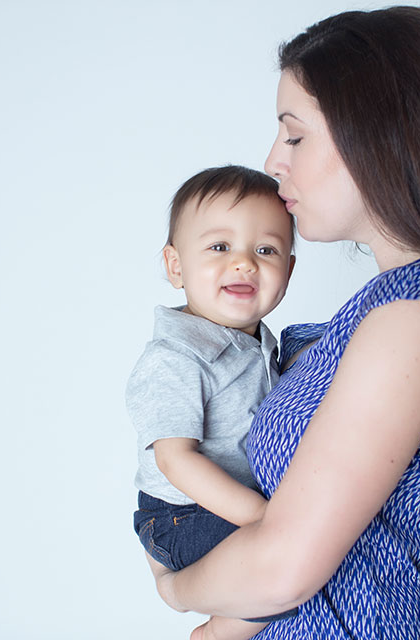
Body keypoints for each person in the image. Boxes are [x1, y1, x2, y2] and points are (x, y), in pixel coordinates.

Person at [150, 7, 420, 640]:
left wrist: (174, 590)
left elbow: (283, 569)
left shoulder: (416, 317)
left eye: (295, 136)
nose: (274, 161)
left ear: (379, 135)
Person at [128, 165, 299, 640]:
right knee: (295, 563)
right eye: (220, 247)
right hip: (181, 516)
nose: (244, 263)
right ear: (176, 265)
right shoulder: (176, 358)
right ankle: (217, 635)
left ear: (287, 270)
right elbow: (175, 460)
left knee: (308, 554)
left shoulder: (258, 344)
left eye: (266, 250)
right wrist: (263, 519)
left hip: (228, 508)